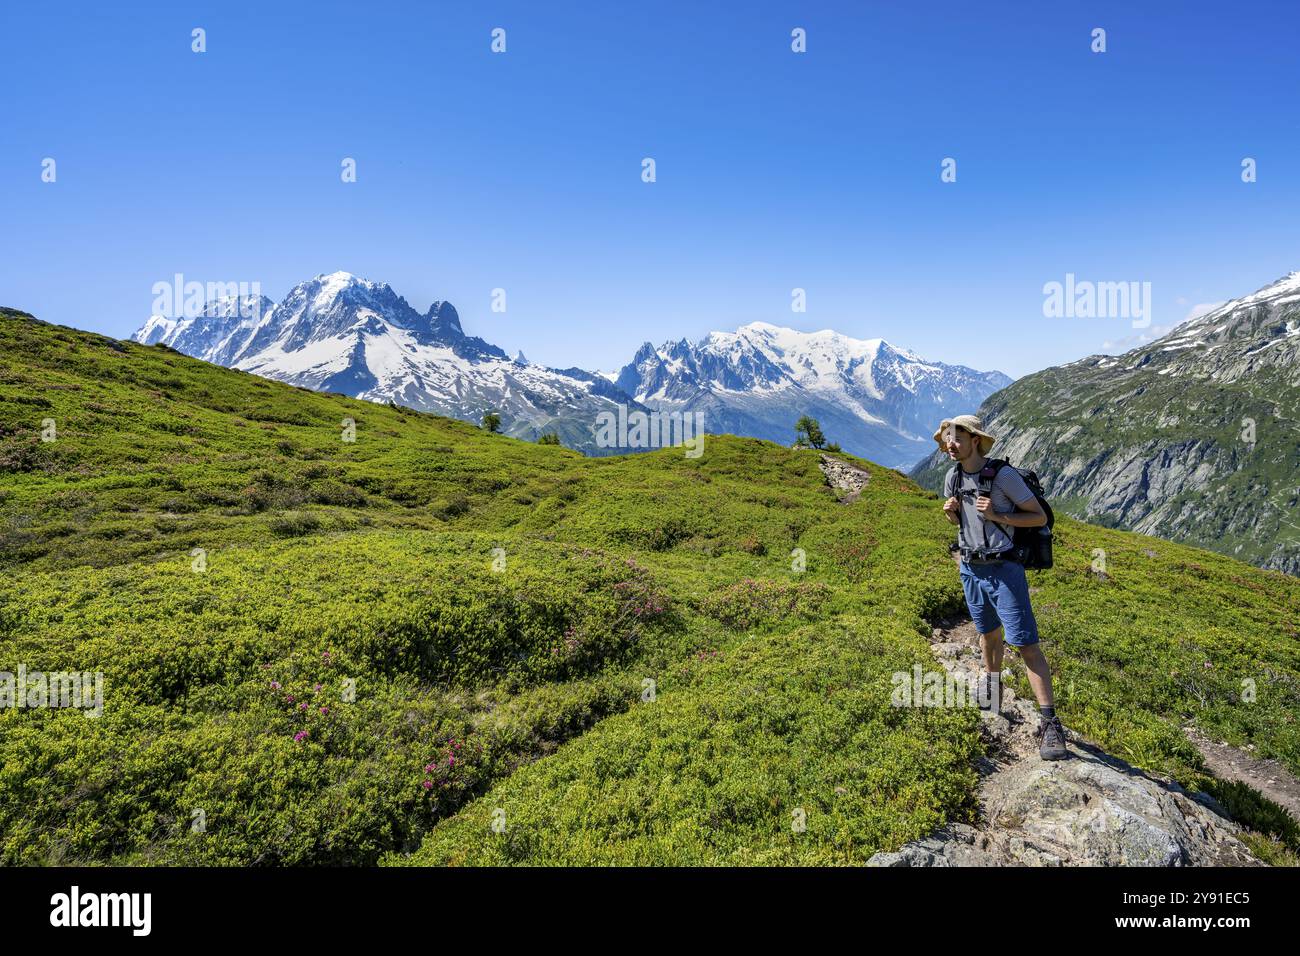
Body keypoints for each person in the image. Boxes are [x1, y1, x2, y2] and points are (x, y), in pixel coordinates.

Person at [936, 415, 1068, 761]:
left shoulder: (1004, 477)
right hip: (970, 568)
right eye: (947, 439)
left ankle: (1050, 723)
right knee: (988, 633)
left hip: (1004, 568)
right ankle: (992, 689)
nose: (950, 445)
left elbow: (1038, 517)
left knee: (1025, 644)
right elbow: (962, 522)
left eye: (957, 438)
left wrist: (998, 516)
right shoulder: (953, 476)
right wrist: (951, 513)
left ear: (975, 440)